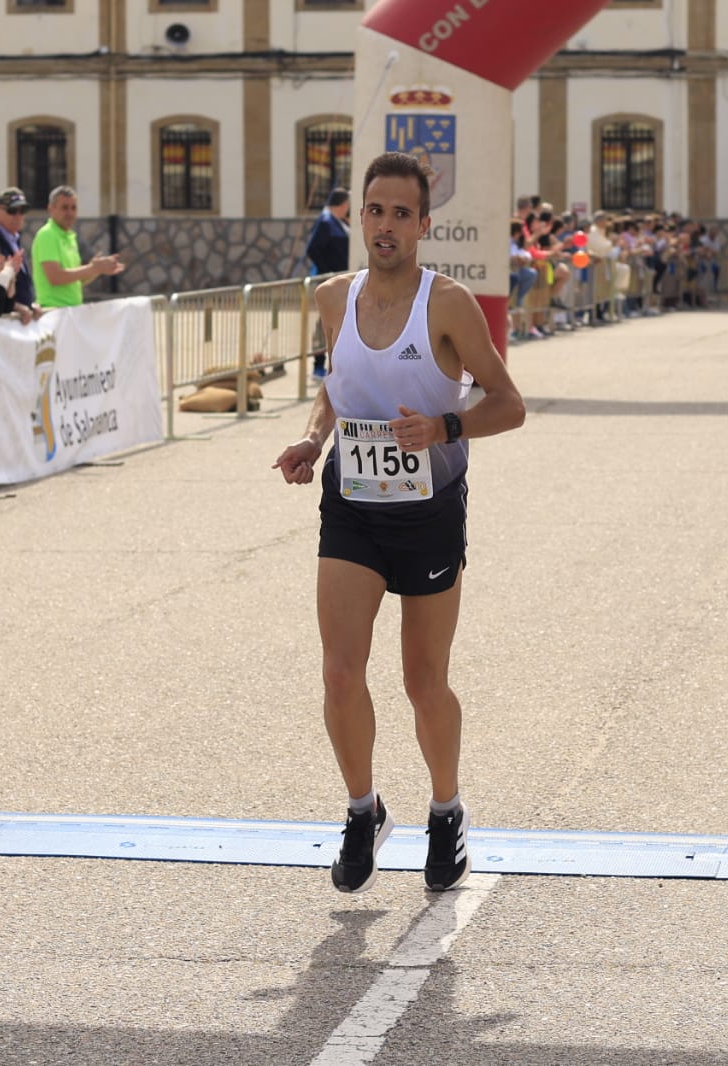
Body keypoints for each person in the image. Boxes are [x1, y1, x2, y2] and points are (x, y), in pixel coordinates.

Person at [271, 151, 526, 896]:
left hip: (429, 512)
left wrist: (444, 427)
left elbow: (509, 403)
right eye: (375, 211)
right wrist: (312, 440)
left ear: (423, 225)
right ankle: (364, 810)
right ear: (359, 217)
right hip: (352, 505)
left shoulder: (447, 304)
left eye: (401, 214)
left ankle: (446, 811)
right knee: (339, 671)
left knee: (423, 679)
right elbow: (337, 385)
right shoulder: (332, 297)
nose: (386, 226)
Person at [31, 185, 123, 309]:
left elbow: (77, 279)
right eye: (65, 207)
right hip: (53, 310)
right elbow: (55, 277)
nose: (70, 213)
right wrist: (92, 268)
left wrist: (98, 269)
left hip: (71, 310)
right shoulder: (47, 234)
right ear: (51, 209)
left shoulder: (70, 236)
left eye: (73, 208)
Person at [306, 188, 352, 377]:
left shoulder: (340, 222)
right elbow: (313, 249)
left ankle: (337, 364)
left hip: (341, 281)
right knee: (323, 323)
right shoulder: (326, 222)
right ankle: (318, 364)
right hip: (329, 281)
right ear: (343, 204)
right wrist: (328, 272)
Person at [0, 187, 42, 320]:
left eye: (22, 211)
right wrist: (14, 306)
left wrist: (30, 304)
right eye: (12, 211)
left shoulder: (14, 237)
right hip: (0, 320)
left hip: (19, 320)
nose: (18, 216)